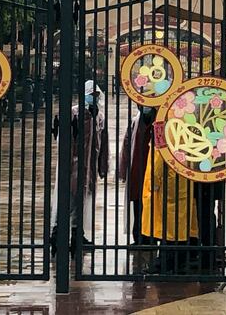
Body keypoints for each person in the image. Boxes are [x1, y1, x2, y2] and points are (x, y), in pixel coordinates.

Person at [50, 80, 108, 258]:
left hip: (88, 166)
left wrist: (103, 166)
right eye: (91, 95)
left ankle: (77, 236)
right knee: (66, 201)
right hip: (72, 165)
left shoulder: (99, 116)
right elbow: (63, 140)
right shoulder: (73, 113)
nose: (93, 98)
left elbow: (103, 143)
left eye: (96, 96)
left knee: (82, 202)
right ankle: (57, 237)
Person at [141, 143, 200, 273]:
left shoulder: (164, 126)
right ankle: (180, 261)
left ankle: (165, 262)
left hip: (168, 182)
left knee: (168, 227)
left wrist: (153, 182)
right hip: (183, 178)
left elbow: (158, 157)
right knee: (180, 225)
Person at [118, 106, 155, 245]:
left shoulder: (159, 120)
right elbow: (126, 146)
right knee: (138, 205)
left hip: (153, 170)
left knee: (152, 205)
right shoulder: (134, 122)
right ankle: (139, 237)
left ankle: (151, 236)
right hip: (138, 169)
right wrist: (123, 170)